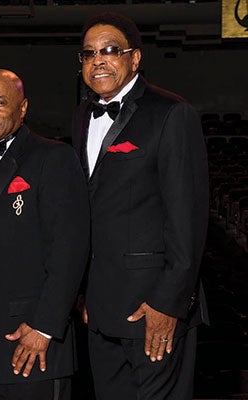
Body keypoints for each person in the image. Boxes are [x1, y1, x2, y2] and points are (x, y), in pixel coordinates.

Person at [72, 12, 209, 400]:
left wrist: (169, 303)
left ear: (135, 59)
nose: (98, 60)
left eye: (111, 50)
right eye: (88, 53)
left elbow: (189, 219)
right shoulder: (82, 115)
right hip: (101, 310)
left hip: (155, 309)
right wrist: (83, 292)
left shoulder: (172, 113)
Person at [0, 69, 90, 400]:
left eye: (0, 103)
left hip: (30, 347)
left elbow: (69, 252)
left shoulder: (54, 157)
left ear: (23, 108)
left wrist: (44, 328)